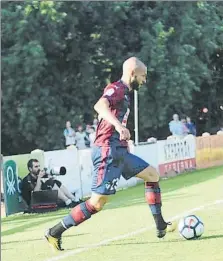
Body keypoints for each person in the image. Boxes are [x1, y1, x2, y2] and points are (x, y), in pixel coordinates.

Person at [45, 57, 176, 251]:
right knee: (97, 203)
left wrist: (123, 136)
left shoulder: (126, 94)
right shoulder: (117, 88)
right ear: (132, 73)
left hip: (119, 150)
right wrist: (118, 126)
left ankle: (160, 225)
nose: (145, 80)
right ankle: (54, 232)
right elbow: (100, 106)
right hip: (107, 151)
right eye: (143, 76)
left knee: (152, 175)